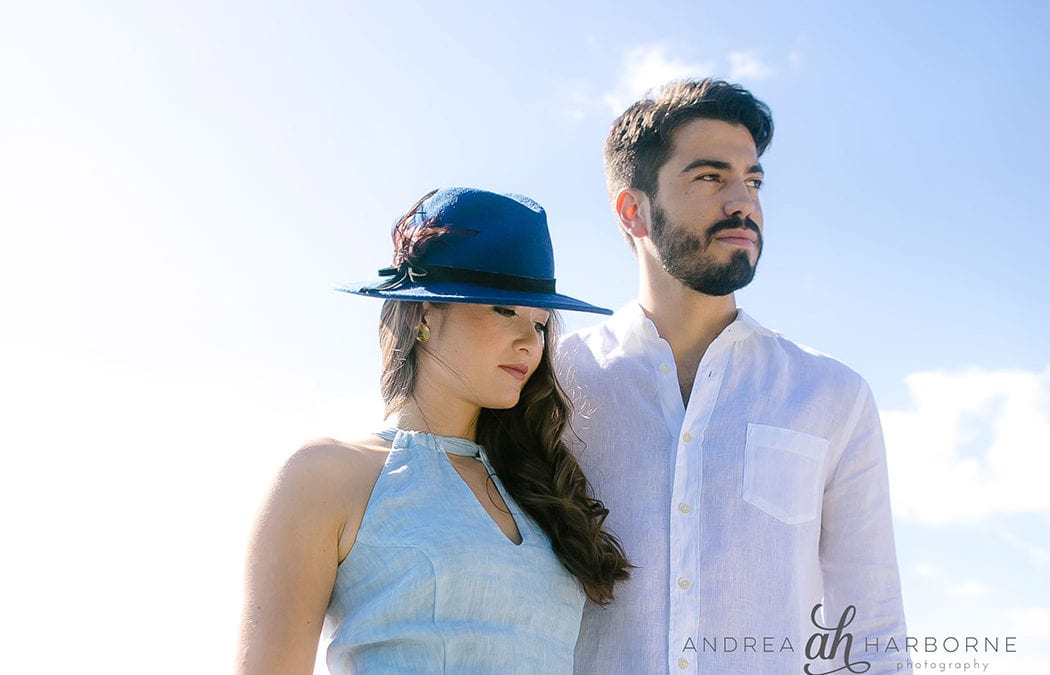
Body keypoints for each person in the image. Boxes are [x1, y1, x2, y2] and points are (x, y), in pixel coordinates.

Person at [560, 79, 906, 674]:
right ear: (632, 210)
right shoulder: (557, 380)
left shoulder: (832, 395)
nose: (742, 202)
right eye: (710, 177)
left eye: (753, 180)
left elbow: (870, 629)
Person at [236, 187, 630, 675]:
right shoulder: (326, 475)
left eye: (541, 322)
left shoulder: (536, 489)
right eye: (504, 310)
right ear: (423, 312)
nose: (530, 341)